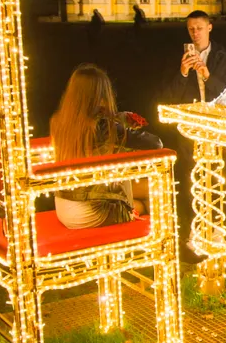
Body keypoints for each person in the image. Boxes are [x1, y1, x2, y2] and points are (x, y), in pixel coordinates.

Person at [50, 64, 164, 229]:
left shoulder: (58, 121)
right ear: (100, 94)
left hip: (64, 207)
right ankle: (155, 242)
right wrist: (118, 123)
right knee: (154, 190)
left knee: (138, 192)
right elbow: (155, 144)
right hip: (89, 212)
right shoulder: (101, 125)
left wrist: (119, 119)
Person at [163, 11, 226, 256]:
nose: (195, 33)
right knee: (191, 178)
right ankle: (195, 230)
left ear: (209, 28)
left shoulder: (225, 57)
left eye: (199, 28)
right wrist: (184, 73)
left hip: (216, 126)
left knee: (217, 177)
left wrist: (206, 73)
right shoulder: (180, 57)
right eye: (191, 29)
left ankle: (215, 228)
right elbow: (171, 97)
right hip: (191, 128)